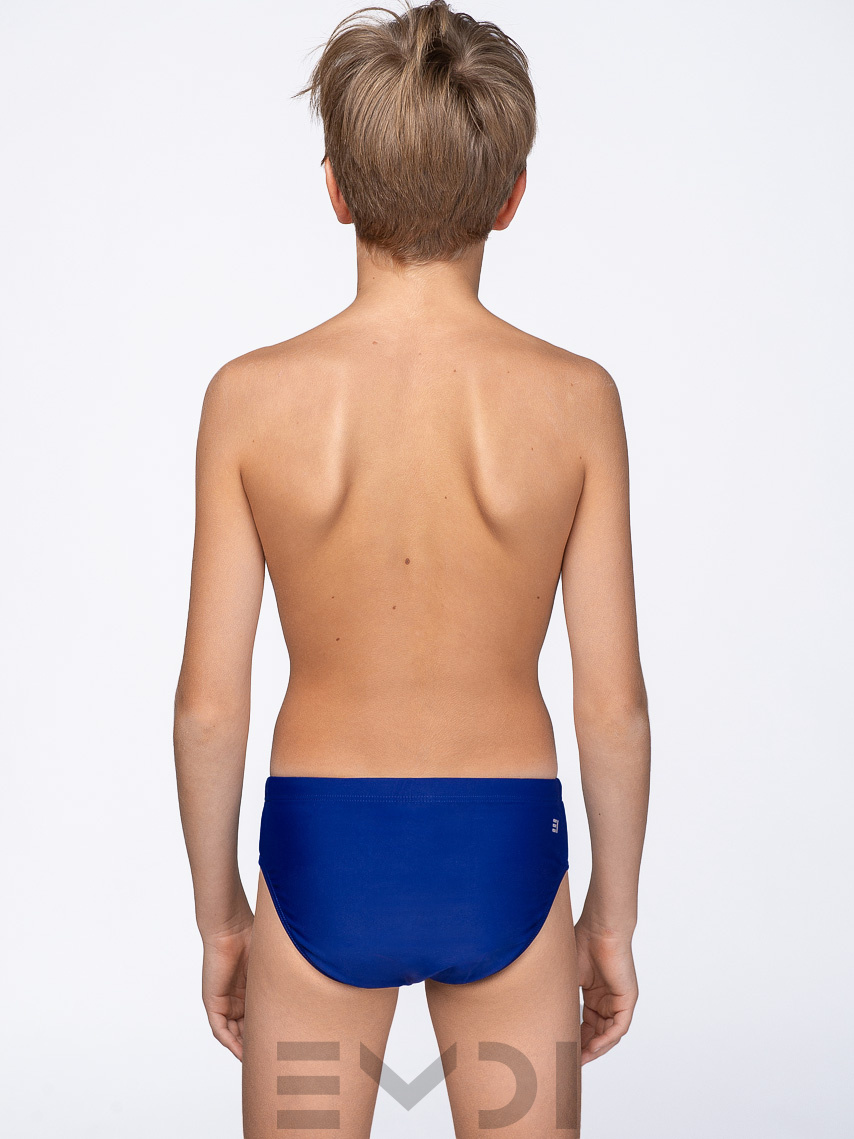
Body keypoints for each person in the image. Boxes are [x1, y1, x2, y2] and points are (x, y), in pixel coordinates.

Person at [173, 2, 651, 1135]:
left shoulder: (249, 399)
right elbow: (612, 704)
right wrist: (611, 920)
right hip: (505, 849)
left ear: (335, 187)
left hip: (322, 847)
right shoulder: (576, 401)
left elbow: (207, 707)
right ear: (510, 195)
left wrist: (221, 916)